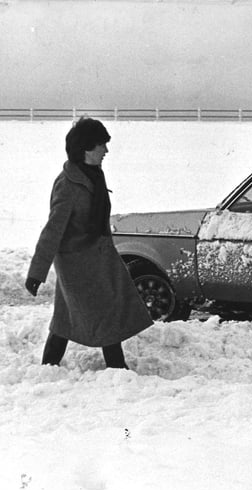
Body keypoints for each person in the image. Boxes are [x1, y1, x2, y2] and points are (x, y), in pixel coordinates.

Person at [25, 117, 153, 369]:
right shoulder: (68, 185)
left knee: (73, 318)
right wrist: (36, 273)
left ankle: (49, 366)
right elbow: (52, 231)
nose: (106, 151)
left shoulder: (93, 174)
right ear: (85, 148)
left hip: (98, 258)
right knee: (94, 314)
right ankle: (116, 368)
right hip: (77, 264)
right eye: (101, 145)